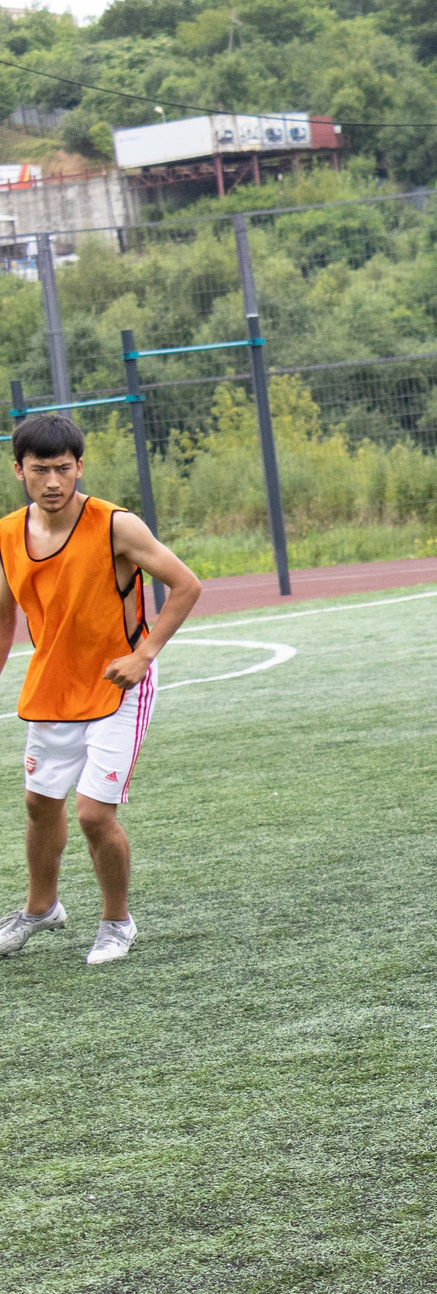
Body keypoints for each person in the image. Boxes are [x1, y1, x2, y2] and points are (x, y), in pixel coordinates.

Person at [0, 413, 203, 964]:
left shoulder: (116, 526)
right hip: (54, 689)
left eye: (63, 469)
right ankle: (40, 909)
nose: (52, 482)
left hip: (119, 690)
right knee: (40, 805)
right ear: (18, 470)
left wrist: (144, 654)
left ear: (79, 466)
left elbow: (186, 585)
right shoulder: (6, 534)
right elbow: (3, 618)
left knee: (93, 813)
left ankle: (117, 922)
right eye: (39, 470)